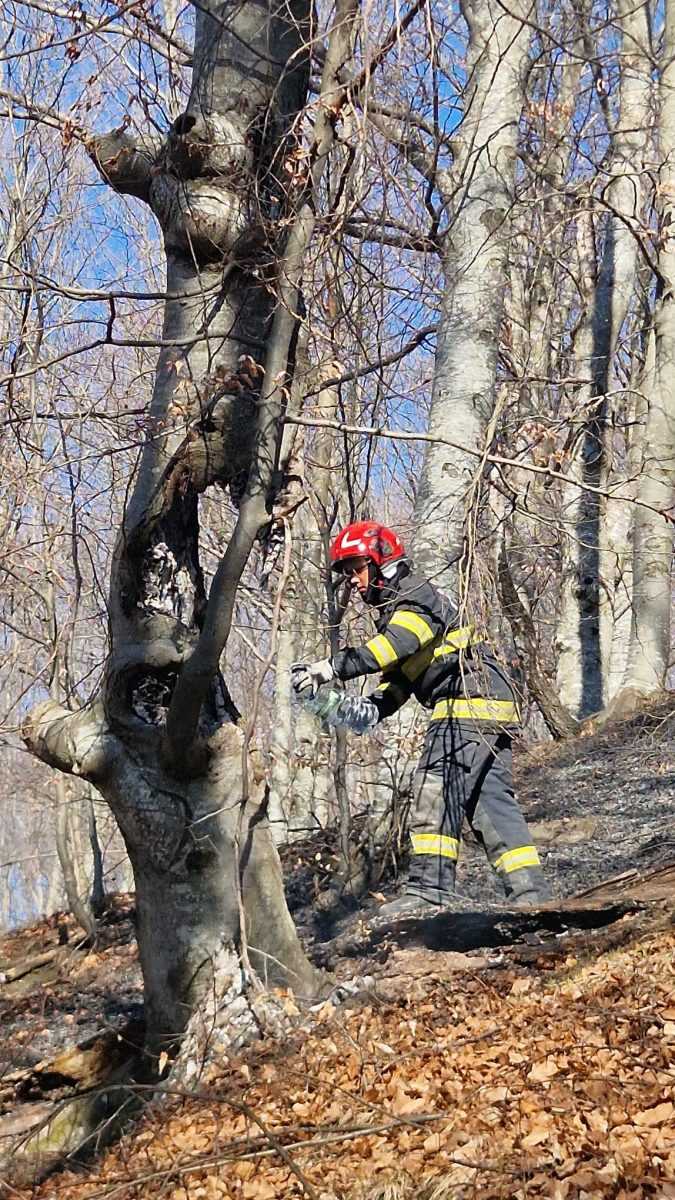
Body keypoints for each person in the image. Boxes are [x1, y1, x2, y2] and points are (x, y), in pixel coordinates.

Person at [290, 521, 550, 917]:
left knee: (435, 790)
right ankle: (532, 898)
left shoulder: (414, 596)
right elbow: (387, 697)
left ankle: (429, 892)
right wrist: (328, 704)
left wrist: (330, 667)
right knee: (490, 806)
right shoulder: (397, 611)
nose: (355, 583)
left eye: (358, 569)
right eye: (348, 575)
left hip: (466, 699)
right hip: (485, 705)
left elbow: (391, 648)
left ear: (382, 562)